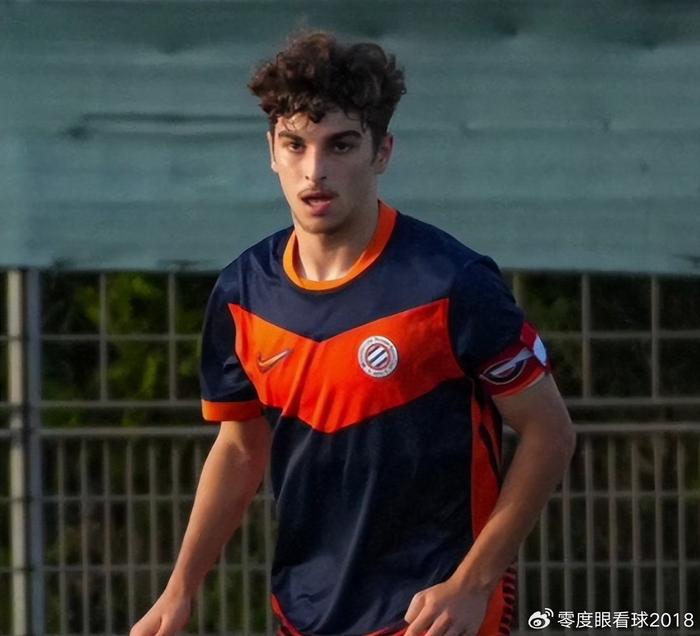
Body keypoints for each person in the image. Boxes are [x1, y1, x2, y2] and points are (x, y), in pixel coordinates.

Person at [130, 31, 576, 636]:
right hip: (306, 613)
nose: (315, 170)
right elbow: (240, 449)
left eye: (340, 145)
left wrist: (473, 583)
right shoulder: (243, 292)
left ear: (381, 152)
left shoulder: (452, 282)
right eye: (295, 145)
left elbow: (551, 432)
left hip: (433, 614)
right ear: (272, 151)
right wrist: (180, 590)